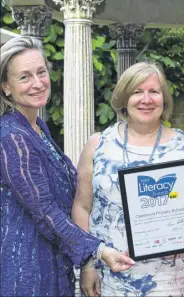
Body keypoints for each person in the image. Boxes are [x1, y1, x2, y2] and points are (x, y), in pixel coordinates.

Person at [0, 36, 135, 297]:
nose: (38, 83)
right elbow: (45, 211)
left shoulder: (36, 128)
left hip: (50, 265)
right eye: (24, 77)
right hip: (25, 274)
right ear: (6, 86)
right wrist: (99, 251)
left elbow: (72, 195)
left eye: (41, 72)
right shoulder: (12, 137)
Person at [72, 61, 184, 296]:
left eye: (154, 91)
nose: (146, 99)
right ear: (124, 98)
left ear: (164, 99)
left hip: (166, 278)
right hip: (106, 275)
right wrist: (88, 263)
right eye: (137, 91)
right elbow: (82, 207)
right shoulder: (98, 145)